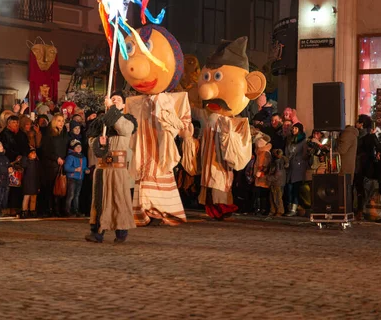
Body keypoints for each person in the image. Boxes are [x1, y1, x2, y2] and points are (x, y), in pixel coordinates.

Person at [120, 24, 192, 226]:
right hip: (144, 150)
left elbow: (180, 122)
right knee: (144, 179)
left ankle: (161, 211)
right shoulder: (135, 102)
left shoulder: (169, 100)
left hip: (161, 150)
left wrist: (167, 119)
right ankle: (145, 211)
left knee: (160, 175)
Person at [193, 36, 266, 220]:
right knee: (210, 182)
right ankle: (213, 207)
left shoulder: (232, 121)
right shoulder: (207, 116)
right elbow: (193, 112)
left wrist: (260, 141)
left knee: (220, 180)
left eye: (216, 77)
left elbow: (248, 132)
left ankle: (223, 207)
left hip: (221, 162)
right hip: (208, 160)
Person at [86, 94, 137, 243]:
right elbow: (91, 142)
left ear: (123, 105)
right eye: (112, 99)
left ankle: (121, 233)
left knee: (118, 200)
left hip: (117, 169)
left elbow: (123, 129)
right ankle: (97, 233)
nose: (114, 101)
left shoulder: (127, 120)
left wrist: (112, 110)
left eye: (118, 100)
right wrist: (98, 142)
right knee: (99, 201)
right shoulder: (100, 123)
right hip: (102, 168)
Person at [39, 113, 68, 217]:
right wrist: (56, 158)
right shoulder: (49, 134)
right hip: (50, 165)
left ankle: (59, 209)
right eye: (59, 120)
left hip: (62, 163)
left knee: (60, 187)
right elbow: (45, 150)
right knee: (50, 187)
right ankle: (49, 209)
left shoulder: (64, 133)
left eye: (63, 121)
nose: (61, 123)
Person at [353, 114, 378, 221]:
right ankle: (359, 210)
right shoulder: (367, 136)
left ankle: (360, 211)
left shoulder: (363, 137)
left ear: (361, 124)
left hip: (361, 166)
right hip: (363, 166)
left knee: (360, 189)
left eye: (357, 122)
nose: (356, 123)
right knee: (361, 189)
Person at [284, 122, 308, 217]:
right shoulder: (290, 140)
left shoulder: (303, 141)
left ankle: (294, 209)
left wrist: (298, 160)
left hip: (298, 167)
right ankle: (289, 208)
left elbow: (304, 154)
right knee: (289, 188)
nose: (294, 130)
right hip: (290, 166)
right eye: (293, 128)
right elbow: (287, 150)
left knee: (295, 188)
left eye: (296, 128)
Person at [63, 139, 89, 217]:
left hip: (80, 178)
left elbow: (83, 167)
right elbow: (66, 167)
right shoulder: (70, 157)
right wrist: (75, 169)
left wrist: (86, 170)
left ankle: (76, 210)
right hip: (72, 177)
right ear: (73, 148)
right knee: (71, 195)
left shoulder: (83, 157)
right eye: (76, 147)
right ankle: (67, 210)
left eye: (79, 146)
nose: (78, 148)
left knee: (77, 195)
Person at [337, 124, 359, 192]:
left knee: (343, 190)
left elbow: (342, 150)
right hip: (347, 166)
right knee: (346, 189)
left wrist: (331, 150)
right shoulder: (351, 133)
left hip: (344, 165)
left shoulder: (347, 134)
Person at [268, 149, 288, 216]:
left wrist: (268, 178)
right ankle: (274, 210)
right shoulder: (280, 162)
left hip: (277, 182)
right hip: (278, 182)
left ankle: (279, 211)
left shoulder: (278, 162)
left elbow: (277, 174)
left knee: (277, 197)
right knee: (274, 197)